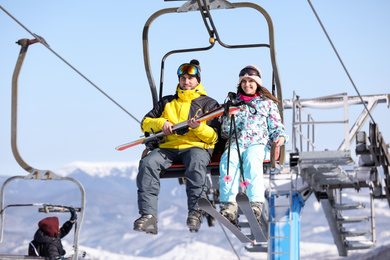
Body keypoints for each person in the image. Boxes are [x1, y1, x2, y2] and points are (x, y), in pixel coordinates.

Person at [133, 59, 220, 234]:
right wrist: (161, 124)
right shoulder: (167, 102)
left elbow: (215, 136)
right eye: (183, 78)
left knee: (196, 164)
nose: (186, 82)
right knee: (148, 164)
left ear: (197, 81)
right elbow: (145, 123)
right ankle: (148, 215)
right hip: (169, 147)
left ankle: (195, 211)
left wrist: (199, 127)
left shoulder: (208, 104)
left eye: (190, 78)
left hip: (196, 146)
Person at [218, 64, 288, 224]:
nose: (247, 84)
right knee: (228, 161)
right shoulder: (234, 103)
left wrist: (281, 138)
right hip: (237, 143)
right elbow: (225, 133)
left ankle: (255, 202)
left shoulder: (267, 104)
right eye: (244, 81)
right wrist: (228, 117)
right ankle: (229, 204)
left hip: (259, 144)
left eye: (251, 81)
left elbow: (276, 125)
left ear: (257, 83)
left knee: (251, 159)